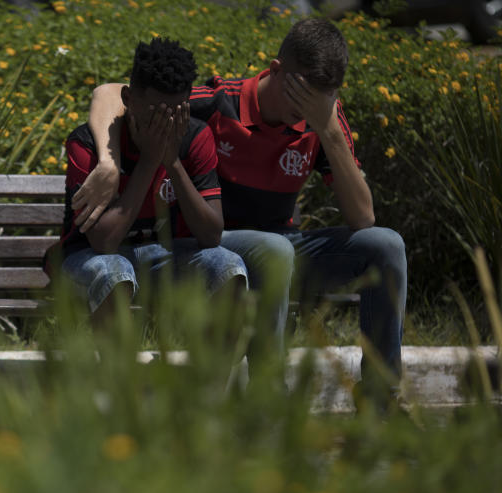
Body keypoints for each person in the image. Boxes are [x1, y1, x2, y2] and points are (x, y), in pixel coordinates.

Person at [75, 18, 407, 409]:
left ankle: (382, 402)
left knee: (386, 244)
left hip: (280, 248)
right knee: (274, 249)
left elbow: (362, 219)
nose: (304, 113)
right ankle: (268, 396)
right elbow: (111, 93)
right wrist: (108, 164)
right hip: (216, 250)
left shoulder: (322, 120)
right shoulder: (222, 101)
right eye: (299, 97)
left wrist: (329, 131)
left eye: (319, 101)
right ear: (276, 70)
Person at [57, 36, 247, 327]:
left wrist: (171, 162)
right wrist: (149, 160)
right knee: (114, 273)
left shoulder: (195, 137)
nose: (165, 123)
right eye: (155, 113)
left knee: (228, 266)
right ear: (129, 99)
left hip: (161, 257)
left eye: (176, 112)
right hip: (87, 260)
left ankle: (212, 372)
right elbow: (103, 242)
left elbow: (211, 236)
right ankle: (115, 372)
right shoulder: (88, 144)